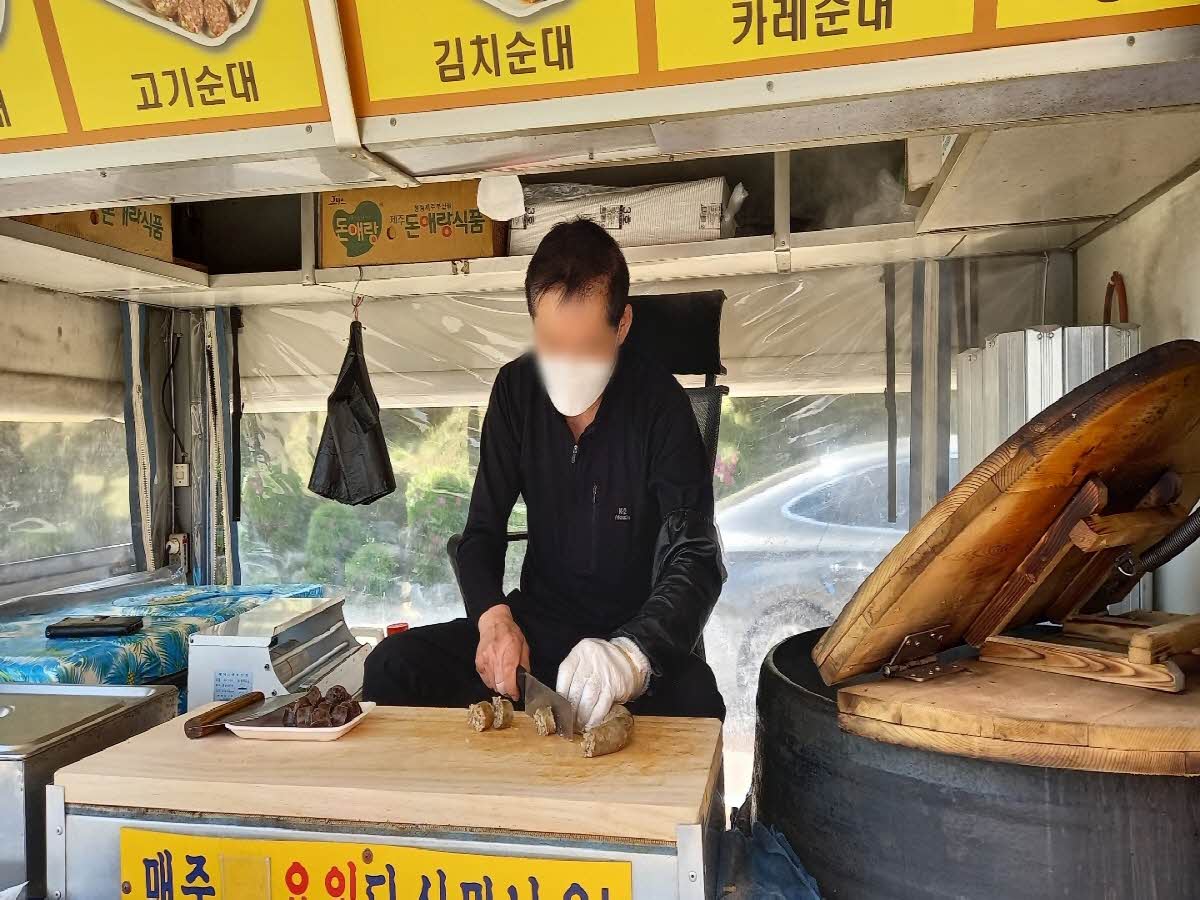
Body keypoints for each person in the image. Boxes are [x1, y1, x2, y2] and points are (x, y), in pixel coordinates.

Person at [363, 219, 726, 728]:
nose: (567, 365)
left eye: (587, 347)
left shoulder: (661, 405)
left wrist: (632, 656)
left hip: (625, 638)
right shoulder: (516, 391)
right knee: (391, 666)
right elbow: (481, 533)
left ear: (622, 325)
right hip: (537, 633)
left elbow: (696, 555)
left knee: (699, 702)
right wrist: (494, 619)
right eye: (552, 344)